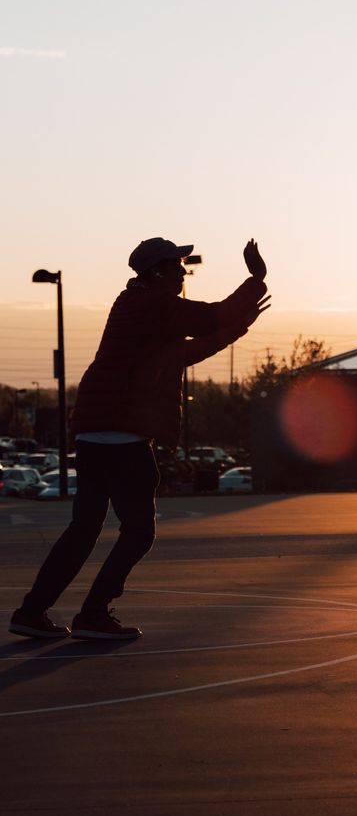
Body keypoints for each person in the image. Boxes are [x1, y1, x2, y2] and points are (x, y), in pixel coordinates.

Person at [9, 237, 270, 640]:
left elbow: (185, 353)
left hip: (96, 432)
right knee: (139, 531)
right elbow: (208, 318)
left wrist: (239, 324)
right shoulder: (153, 305)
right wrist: (256, 279)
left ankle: (31, 612)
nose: (184, 271)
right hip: (121, 434)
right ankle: (92, 614)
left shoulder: (136, 306)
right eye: (176, 265)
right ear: (157, 272)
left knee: (84, 530)